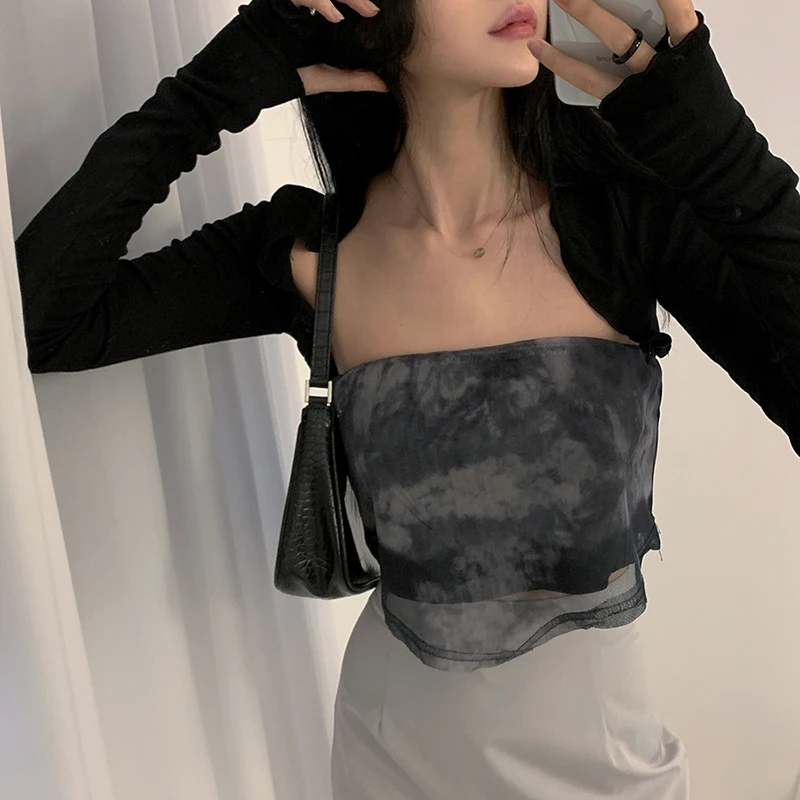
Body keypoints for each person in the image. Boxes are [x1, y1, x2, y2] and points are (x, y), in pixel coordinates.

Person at [14, 1, 800, 797]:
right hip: (389, 764)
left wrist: (725, 161)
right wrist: (209, 92)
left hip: (609, 774)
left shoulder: (624, 224)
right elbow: (39, 325)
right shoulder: (312, 256)